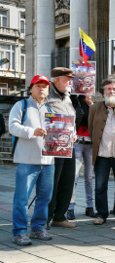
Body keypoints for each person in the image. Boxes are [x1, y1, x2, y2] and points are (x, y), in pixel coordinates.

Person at [9, 75, 54, 246]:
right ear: (31, 88)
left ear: (48, 90)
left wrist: (69, 136)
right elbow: (12, 127)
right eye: (38, 85)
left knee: (44, 198)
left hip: (48, 161)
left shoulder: (51, 108)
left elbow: (59, 130)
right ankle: (19, 232)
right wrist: (32, 131)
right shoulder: (21, 105)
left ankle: (38, 228)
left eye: (45, 86)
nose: (42, 88)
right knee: (22, 199)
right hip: (27, 160)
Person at [89, 79, 115, 225]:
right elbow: (91, 129)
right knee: (100, 186)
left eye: (114, 89)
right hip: (102, 154)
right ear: (104, 92)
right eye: (108, 89)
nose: (111, 91)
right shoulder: (95, 108)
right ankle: (101, 214)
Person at [47, 67, 77, 229]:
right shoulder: (46, 95)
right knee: (53, 182)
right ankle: (45, 217)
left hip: (68, 145)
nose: (69, 82)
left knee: (68, 180)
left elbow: (70, 119)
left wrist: (75, 133)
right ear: (56, 79)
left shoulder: (67, 97)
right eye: (67, 79)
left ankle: (59, 216)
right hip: (52, 147)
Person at [66, 95, 96, 220]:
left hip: (90, 144)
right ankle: (70, 207)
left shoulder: (93, 106)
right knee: (74, 176)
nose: (90, 96)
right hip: (78, 143)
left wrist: (91, 106)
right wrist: (80, 103)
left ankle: (90, 206)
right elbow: (75, 117)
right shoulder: (75, 101)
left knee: (89, 177)